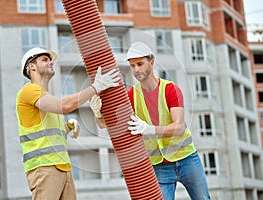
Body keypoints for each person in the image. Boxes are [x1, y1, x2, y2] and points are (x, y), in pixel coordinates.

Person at [90, 42, 211, 200]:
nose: (136, 70)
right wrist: (98, 113)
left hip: (186, 159)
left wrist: (149, 129)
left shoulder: (170, 89)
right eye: (132, 66)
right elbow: (105, 125)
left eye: (140, 64)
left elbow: (179, 128)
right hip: (159, 165)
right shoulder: (131, 96)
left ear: (151, 62)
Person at [15, 47, 120, 200]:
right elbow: (63, 106)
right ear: (32, 66)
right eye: (44, 60)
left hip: (62, 167)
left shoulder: (47, 98)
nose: (50, 62)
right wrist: (95, 87)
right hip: (44, 168)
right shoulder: (29, 91)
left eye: (50, 60)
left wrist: (67, 127)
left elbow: (49, 137)